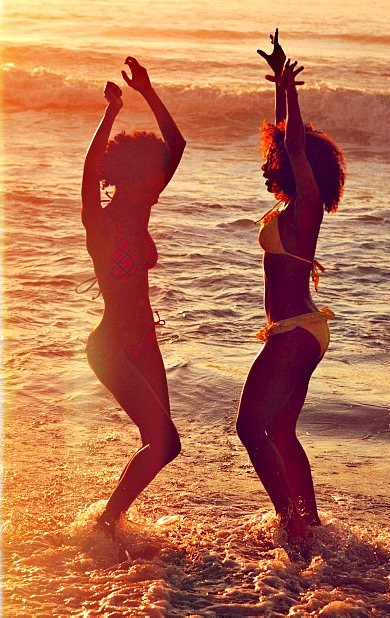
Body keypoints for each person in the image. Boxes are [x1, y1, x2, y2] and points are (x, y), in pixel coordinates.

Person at [236, 30, 345, 542]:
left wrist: (294, 93)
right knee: (279, 429)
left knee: (249, 428)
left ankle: (292, 526)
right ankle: (311, 522)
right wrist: (279, 88)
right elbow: (284, 136)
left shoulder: (305, 207)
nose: (266, 164)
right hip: (298, 329)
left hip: (296, 331)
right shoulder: (289, 209)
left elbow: (294, 142)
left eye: (272, 160)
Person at [81, 57, 186, 530]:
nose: (157, 187)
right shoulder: (99, 222)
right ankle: (107, 521)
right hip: (111, 349)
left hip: (145, 341)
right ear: (124, 179)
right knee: (163, 440)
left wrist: (147, 90)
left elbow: (177, 144)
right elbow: (88, 173)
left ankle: (110, 518)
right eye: (149, 181)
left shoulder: (141, 211)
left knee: (166, 443)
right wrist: (111, 114)